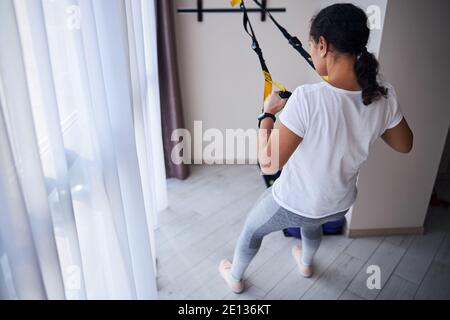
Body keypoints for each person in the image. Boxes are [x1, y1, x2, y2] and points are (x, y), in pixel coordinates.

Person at [219, 3, 414, 294]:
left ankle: (234, 277)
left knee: (252, 229)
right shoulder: (382, 93)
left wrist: (267, 115)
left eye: (311, 46)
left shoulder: (307, 99)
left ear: (322, 45)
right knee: (313, 224)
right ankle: (306, 262)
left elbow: (268, 164)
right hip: (339, 204)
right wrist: (369, 117)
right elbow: (404, 145)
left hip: (294, 202)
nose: (311, 52)